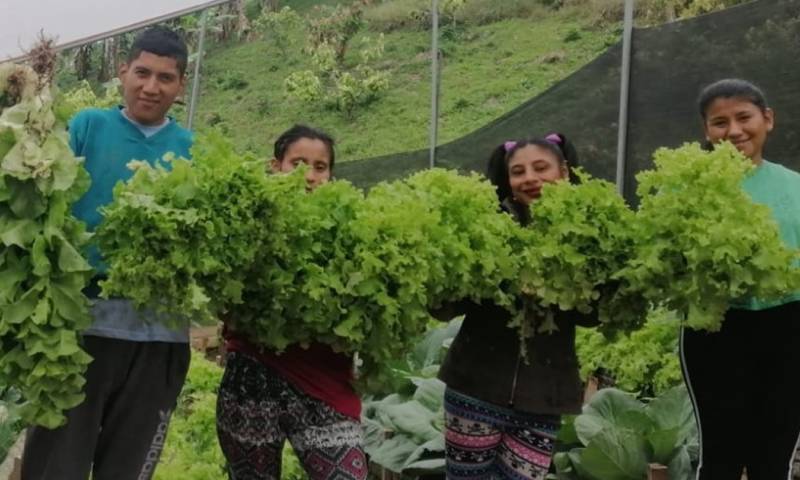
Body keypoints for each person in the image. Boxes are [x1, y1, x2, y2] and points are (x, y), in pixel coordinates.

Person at [21, 27, 193, 480]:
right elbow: (48, 207)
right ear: (122, 72)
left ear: (181, 86)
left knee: (128, 468)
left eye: (165, 78)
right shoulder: (87, 126)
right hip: (81, 328)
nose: (151, 87)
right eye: (141, 73)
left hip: (158, 338)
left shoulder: (192, 150)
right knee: (55, 464)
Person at [435, 133, 595, 480]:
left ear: (564, 171)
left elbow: (594, 315)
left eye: (541, 168)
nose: (530, 178)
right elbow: (444, 307)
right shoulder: (488, 229)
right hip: (475, 387)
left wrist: (559, 285)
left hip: (543, 397)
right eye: (519, 172)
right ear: (509, 182)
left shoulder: (589, 235)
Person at [216, 124, 368, 480]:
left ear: (330, 174)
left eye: (320, 167)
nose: (310, 175)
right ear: (275, 166)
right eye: (298, 163)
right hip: (252, 379)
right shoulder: (249, 222)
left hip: (325, 382)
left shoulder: (353, 228)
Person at [681, 78, 800, 479]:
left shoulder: (795, 187)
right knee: (720, 455)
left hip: (789, 327)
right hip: (715, 328)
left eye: (744, 117)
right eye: (719, 123)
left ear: (768, 119)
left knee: (774, 453)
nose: (733, 131)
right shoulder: (685, 189)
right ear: (706, 131)